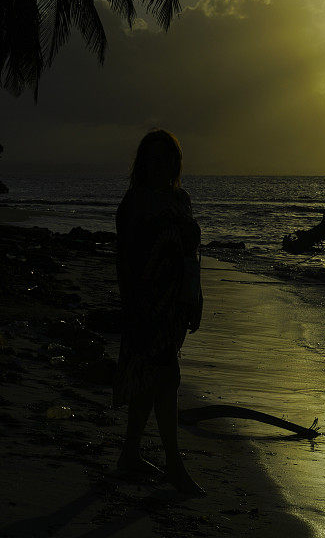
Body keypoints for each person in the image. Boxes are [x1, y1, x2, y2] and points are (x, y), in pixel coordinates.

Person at [112, 129, 204, 496]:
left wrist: (195, 299)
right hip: (145, 304)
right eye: (153, 158)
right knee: (166, 379)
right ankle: (173, 465)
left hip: (174, 305)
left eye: (168, 158)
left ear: (175, 163)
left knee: (152, 381)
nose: (161, 165)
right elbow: (124, 260)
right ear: (143, 163)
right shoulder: (135, 203)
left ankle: (130, 454)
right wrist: (131, 307)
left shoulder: (182, 200)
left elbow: (191, 256)